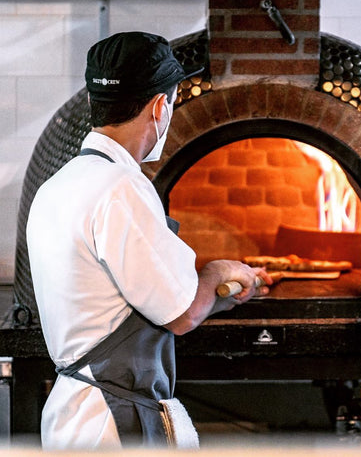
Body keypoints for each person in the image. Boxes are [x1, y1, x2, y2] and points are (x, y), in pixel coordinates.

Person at [26, 31, 272, 450]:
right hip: (114, 422)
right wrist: (218, 272)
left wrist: (222, 296)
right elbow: (180, 315)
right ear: (160, 107)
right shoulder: (120, 187)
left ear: (91, 103)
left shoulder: (57, 186)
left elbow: (121, 303)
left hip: (75, 412)